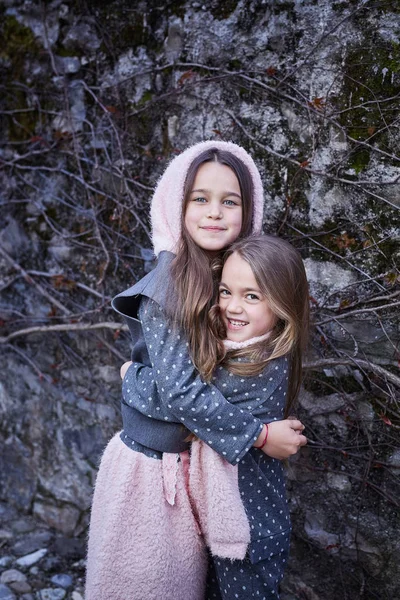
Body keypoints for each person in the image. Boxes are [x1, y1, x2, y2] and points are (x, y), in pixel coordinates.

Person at [85, 141, 307, 600]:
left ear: (249, 211)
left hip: (200, 467)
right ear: (175, 205)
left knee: (194, 580)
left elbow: (226, 378)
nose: (214, 212)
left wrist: (134, 380)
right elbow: (185, 393)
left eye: (230, 201)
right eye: (199, 199)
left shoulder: (237, 276)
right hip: (155, 466)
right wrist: (262, 435)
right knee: (149, 582)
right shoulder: (168, 287)